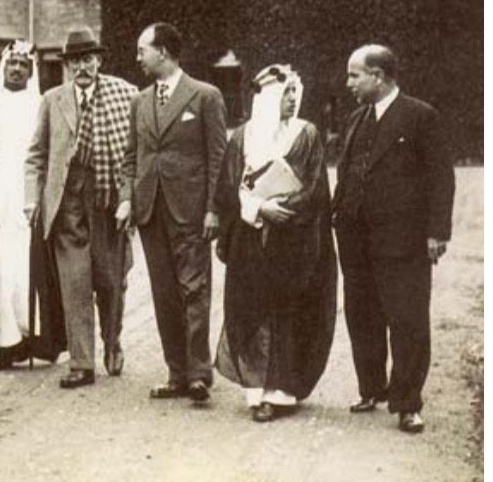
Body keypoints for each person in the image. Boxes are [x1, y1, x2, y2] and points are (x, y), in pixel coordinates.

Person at [334, 44, 455, 435]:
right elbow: (347, 174)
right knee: (362, 316)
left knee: (407, 320)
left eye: (354, 75)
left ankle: (407, 403)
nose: (348, 83)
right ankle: (371, 389)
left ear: (378, 76)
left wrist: (437, 232)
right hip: (356, 241)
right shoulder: (355, 119)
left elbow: (441, 177)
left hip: (403, 242)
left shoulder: (420, 116)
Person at [213, 64, 337, 421]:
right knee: (253, 309)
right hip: (251, 238)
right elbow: (228, 187)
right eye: (285, 94)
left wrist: (285, 208)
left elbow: (315, 187)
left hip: (294, 240)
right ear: (267, 98)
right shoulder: (243, 138)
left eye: (295, 92)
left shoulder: (306, 134)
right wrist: (259, 208)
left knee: (288, 312)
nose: (292, 99)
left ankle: (280, 391)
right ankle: (258, 389)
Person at [117, 21, 227, 405]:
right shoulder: (140, 101)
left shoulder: (205, 96)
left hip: (192, 212)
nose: (138, 57)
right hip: (151, 211)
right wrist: (127, 199)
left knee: (194, 289)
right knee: (164, 292)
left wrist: (213, 209)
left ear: (162, 52)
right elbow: (131, 156)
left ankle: (199, 374)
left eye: (142, 50)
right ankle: (177, 372)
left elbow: (218, 158)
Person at [24, 27, 136, 389]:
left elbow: (135, 154)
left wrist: (128, 198)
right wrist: (32, 198)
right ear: (67, 65)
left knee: (110, 280)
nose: (81, 67)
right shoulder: (52, 100)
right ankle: (82, 363)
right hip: (66, 201)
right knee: (74, 282)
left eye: (88, 59)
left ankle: (112, 340)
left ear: (99, 61)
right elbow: (36, 155)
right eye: (74, 61)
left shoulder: (125, 94)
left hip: (107, 199)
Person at [0, 41, 63, 369]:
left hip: (28, 202)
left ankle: (31, 338)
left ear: (32, 71)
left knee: (25, 272)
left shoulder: (42, 106)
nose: (16, 69)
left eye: (23, 65)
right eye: (11, 63)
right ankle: (5, 344)